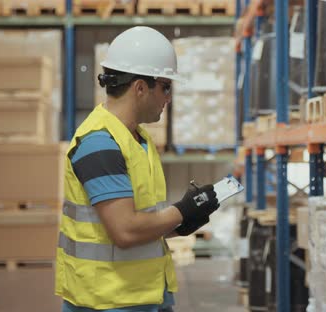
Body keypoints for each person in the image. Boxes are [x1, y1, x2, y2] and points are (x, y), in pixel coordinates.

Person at [56, 26, 219, 312]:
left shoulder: (138, 140)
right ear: (140, 88)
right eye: (165, 86)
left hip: (143, 297)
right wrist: (181, 210)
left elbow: (137, 223)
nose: (169, 97)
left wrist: (180, 225)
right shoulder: (99, 143)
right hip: (108, 302)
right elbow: (125, 231)